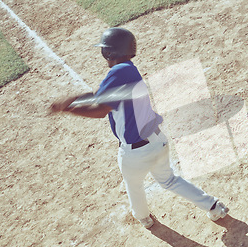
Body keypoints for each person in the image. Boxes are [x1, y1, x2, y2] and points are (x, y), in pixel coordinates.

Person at [50, 27, 228, 228]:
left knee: (133, 185)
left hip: (135, 152)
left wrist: (68, 110)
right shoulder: (128, 70)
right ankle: (214, 206)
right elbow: (99, 94)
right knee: (169, 180)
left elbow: (100, 110)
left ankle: (144, 218)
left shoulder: (117, 72)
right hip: (158, 141)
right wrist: (73, 100)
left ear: (108, 52)